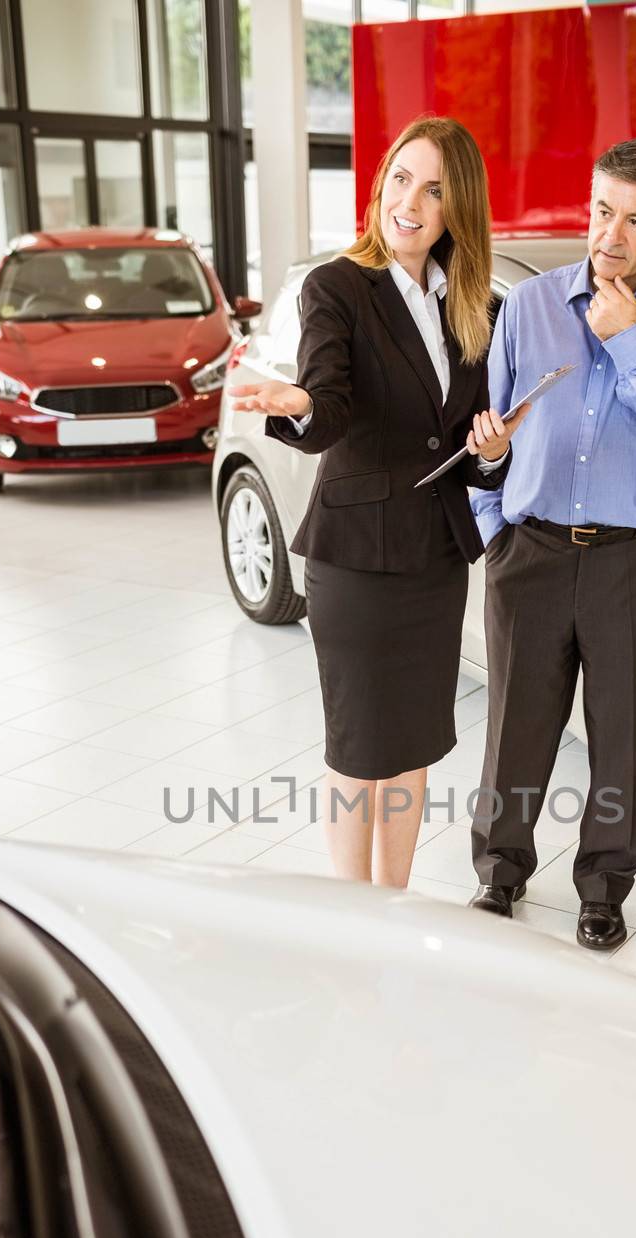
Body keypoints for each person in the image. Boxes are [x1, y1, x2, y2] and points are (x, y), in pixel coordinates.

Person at [230, 116, 529, 888]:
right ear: (379, 186)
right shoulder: (337, 287)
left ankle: (390, 904)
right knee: (359, 746)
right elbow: (326, 400)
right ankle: (347, 908)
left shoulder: (472, 308)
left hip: (433, 558)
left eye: (434, 189)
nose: (411, 201)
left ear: (455, 207)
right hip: (356, 560)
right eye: (401, 178)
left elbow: (463, 445)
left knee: (413, 744)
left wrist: (490, 454)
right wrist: (298, 403)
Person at [469, 138, 636, 949]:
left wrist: (629, 340)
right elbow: (497, 427)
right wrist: (495, 523)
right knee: (515, 726)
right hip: (533, 550)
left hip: (635, 558)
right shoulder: (529, 305)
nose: (609, 236)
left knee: (624, 735)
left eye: (634, 220)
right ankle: (499, 873)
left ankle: (603, 889)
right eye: (600, 212)